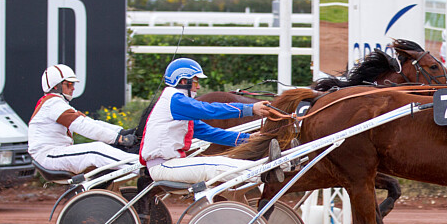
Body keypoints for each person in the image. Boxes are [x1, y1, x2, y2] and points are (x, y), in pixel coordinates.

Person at [139, 57, 284, 185]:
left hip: (169, 164)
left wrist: (247, 139)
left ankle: (284, 166)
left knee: (222, 162)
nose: (199, 86)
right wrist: (250, 109)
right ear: (183, 81)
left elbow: (209, 133)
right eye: (196, 81)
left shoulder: (178, 106)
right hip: (164, 166)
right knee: (214, 165)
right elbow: (208, 110)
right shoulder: (175, 99)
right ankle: (267, 173)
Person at [28, 64, 137, 174]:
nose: (73, 88)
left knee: (99, 153)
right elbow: (83, 126)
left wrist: (120, 131)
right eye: (69, 84)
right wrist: (118, 138)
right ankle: (140, 167)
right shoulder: (53, 104)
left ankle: (137, 165)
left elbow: (89, 122)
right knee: (96, 150)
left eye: (73, 84)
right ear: (56, 86)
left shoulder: (56, 103)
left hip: (53, 154)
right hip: (49, 155)